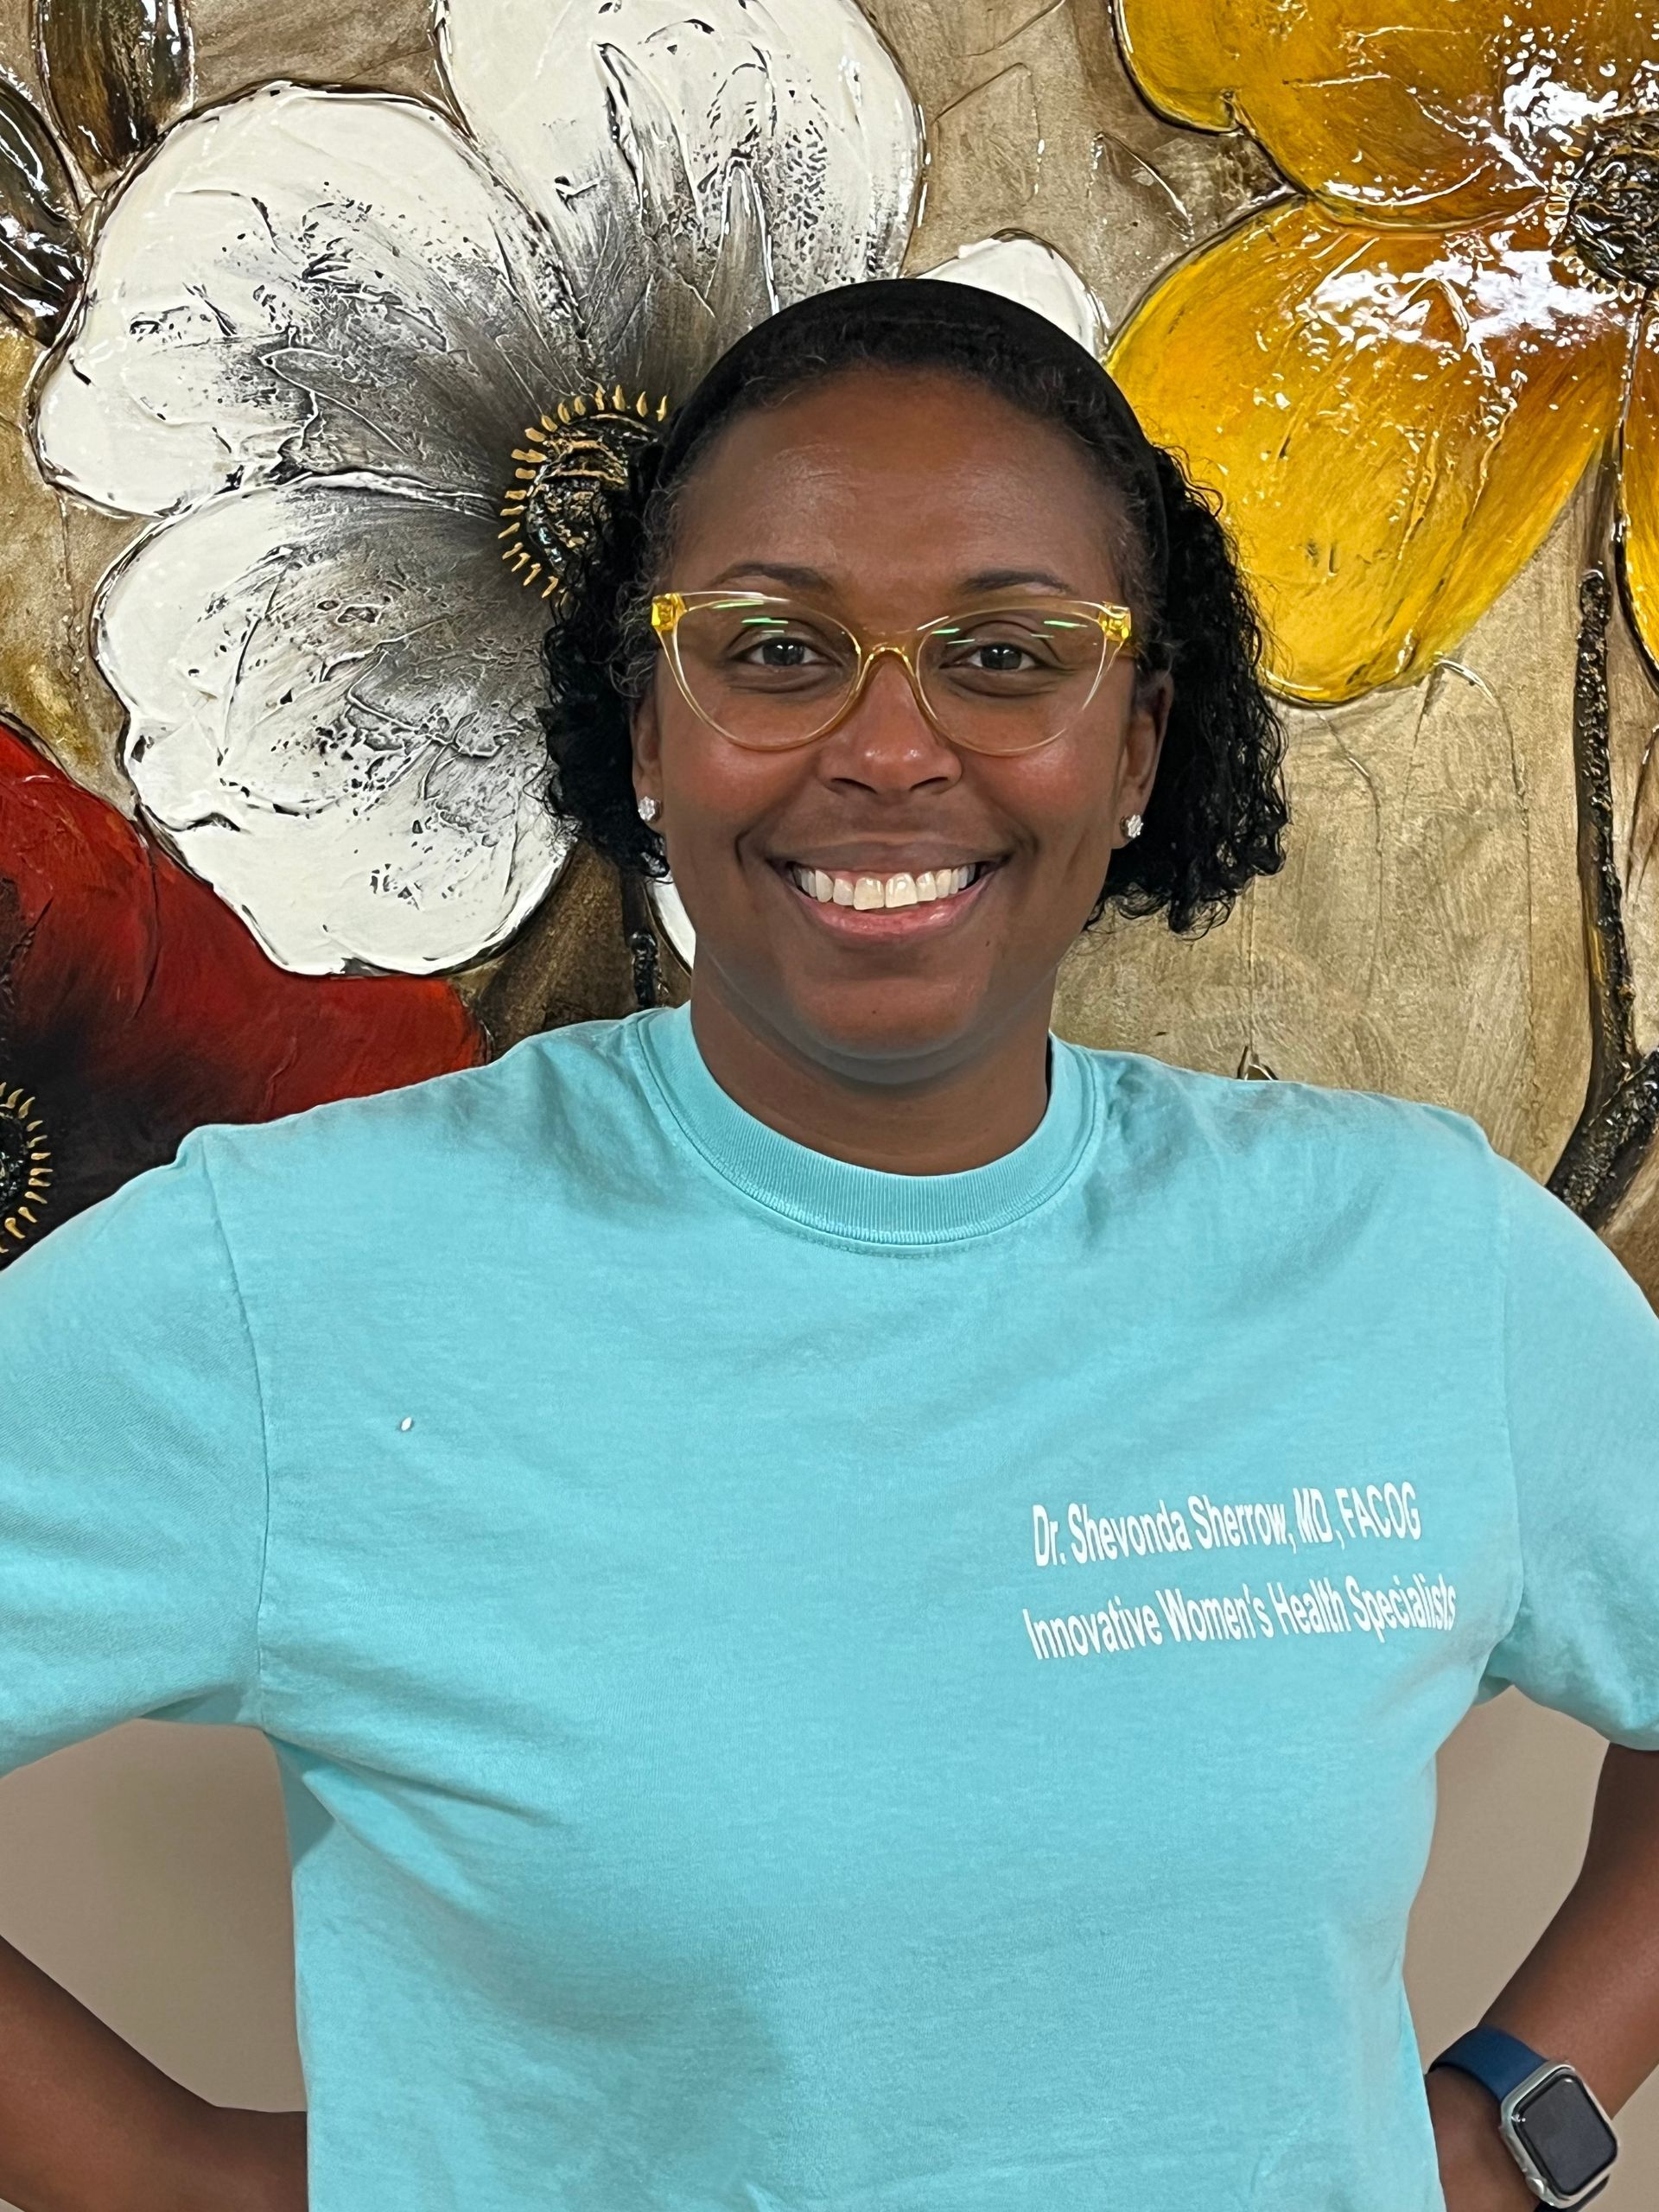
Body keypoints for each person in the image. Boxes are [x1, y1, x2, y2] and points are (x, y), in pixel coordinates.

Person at [0, 277, 1656, 2212]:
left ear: (1138, 746)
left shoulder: (1415, 1255)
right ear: (642, 728)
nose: (887, 749)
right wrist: (169, 2170)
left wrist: (1519, 2114)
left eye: (1008, 655)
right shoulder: (294, 1282)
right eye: (776, 650)